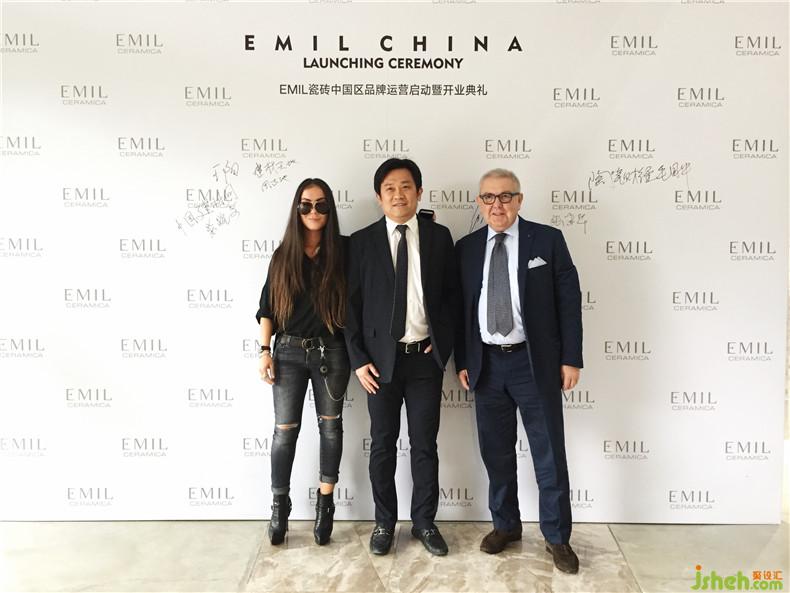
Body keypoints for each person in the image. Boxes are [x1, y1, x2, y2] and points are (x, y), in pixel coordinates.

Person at [454, 168, 583, 574]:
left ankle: (557, 537)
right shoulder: (466, 248)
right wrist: (463, 360)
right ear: (479, 203)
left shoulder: (547, 240)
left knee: (548, 454)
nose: (498, 205)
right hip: (487, 365)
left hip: (534, 364)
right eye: (489, 197)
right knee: (496, 453)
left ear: (520, 200)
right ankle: (506, 525)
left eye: (506, 196)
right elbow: (459, 310)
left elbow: (569, 302)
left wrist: (571, 358)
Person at [345, 158, 458, 556]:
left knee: (424, 445)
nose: (398, 194)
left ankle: (424, 522)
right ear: (379, 197)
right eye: (390, 188)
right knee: (382, 444)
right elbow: (349, 307)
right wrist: (358, 360)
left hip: (424, 361)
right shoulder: (361, 242)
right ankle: (384, 523)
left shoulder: (440, 237)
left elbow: (452, 298)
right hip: (379, 364)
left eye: (406, 186)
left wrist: (441, 345)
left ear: (419, 192)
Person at [255, 177, 350, 546]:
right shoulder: (283, 255)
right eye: (306, 205)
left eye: (322, 204)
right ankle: (280, 505)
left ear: (330, 209)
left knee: (331, 428)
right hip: (289, 353)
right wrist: (264, 351)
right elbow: (267, 309)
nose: (314, 211)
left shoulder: (345, 251)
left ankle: (326, 503)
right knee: (284, 431)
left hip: (332, 352)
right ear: (297, 209)